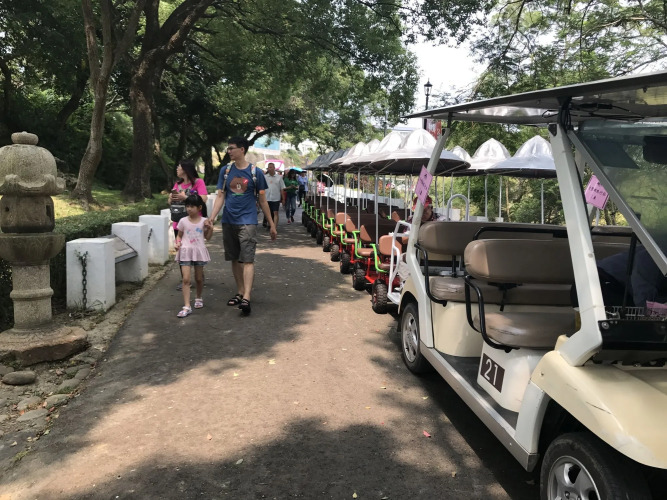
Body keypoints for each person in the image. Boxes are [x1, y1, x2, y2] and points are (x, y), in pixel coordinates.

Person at [207, 136, 277, 315]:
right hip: (228, 220)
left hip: (248, 221)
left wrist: (271, 224)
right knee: (234, 258)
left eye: (232, 148)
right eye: (228, 148)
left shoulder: (256, 172)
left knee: (247, 259)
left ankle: (246, 296)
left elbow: (263, 200)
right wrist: (212, 217)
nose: (229, 151)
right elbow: (221, 196)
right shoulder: (225, 171)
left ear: (242, 149)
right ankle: (239, 291)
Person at [168, 160, 208, 290]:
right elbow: (170, 201)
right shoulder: (178, 184)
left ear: (185, 169)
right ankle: (185, 280)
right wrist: (171, 198)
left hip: (194, 224)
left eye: (179, 167)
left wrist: (186, 198)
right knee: (181, 250)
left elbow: (203, 198)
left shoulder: (198, 182)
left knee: (195, 248)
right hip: (179, 223)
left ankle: (199, 275)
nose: (177, 169)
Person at [174, 194, 213, 318]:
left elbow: (207, 237)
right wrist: (177, 243)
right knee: (186, 279)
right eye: (187, 206)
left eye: (192, 206)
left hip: (199, 252)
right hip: (185, 252)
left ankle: (198, 297)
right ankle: (187, 306)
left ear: (199, 207)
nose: (189, 209)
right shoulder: (183, 221)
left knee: (199, 278)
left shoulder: (203, 221)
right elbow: (179, 235)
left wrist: (210, 228)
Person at [263, 162, 285, 229]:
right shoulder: (265, 177)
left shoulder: (279, 177)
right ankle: (270, 224)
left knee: (275, 212)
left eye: (271, 167)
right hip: (267, 198)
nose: (269, 169)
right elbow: (262, 188)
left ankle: (274, 227)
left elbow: (282, 189)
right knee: (268, 213)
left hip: (276, 198)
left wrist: (283, 199)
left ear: (274, 168)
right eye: (268, 167)